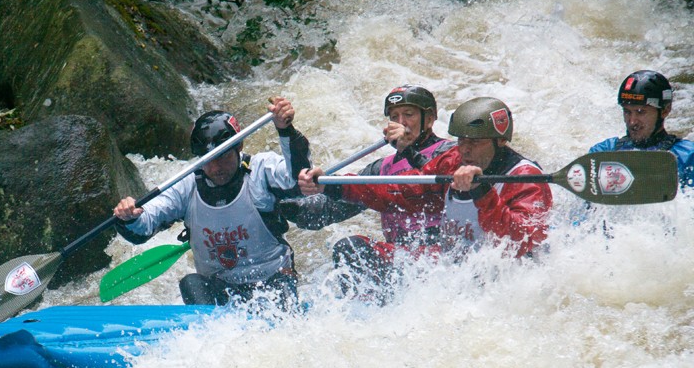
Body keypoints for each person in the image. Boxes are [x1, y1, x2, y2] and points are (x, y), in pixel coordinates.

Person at [298, 97, 552, 302]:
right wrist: (332, 186)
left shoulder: (526, 178)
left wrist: (482, 193)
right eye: (462, 141)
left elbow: (521, 240)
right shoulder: (454, 160)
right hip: (448, 264)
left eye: (475, 142)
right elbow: (402, 189)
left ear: (501, 141)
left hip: (500, 278)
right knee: (352, 249)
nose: (465, 150)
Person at [112, 97, 310, 308]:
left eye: (222, 156)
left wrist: (285, 130)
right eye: (207, 159)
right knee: (191, 283)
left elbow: (298, 180)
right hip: (222, 288)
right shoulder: (186, 185)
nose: (216, 168)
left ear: (239, 146)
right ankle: (212, 327)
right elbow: (145, 224)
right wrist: (129, 217)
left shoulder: (261, 170)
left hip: (273, 279)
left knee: (281, 285)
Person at [284, 85, 454, 247]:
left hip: (443, 252)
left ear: (429, 119)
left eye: (408, 114)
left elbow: (438, 179)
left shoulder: (450, 152)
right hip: (400, 257)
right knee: (350, 247)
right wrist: (282, 206)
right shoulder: (382, 168)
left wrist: (408, 151)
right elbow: (323, 212)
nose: (401, 123)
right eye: (394, 117)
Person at [589, 70, 694, 189]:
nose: (632, 121)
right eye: (627, 112)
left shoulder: (688, 156)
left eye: (640, 112)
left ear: (665, 110)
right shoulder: (604, 152)